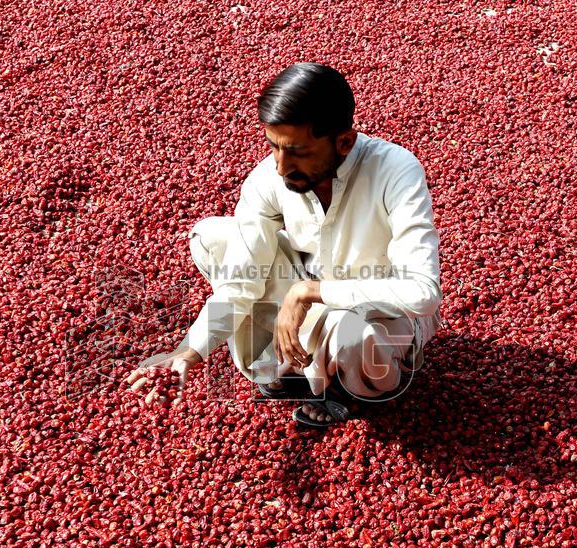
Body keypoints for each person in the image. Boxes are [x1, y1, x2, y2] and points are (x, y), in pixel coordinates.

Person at [124, 62, 443, 427]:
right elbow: (238, 280)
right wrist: (189, 350)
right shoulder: (269, 179)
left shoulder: (395, 171)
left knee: (351, 333)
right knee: (214, 237)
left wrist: (308, 292)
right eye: (273, 146)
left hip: (383, 315)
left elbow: (421, 293)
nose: (280, 166)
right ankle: (295, 364)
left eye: (297, 152)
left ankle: (353, 389)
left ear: (344, 142)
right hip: (313, 286)